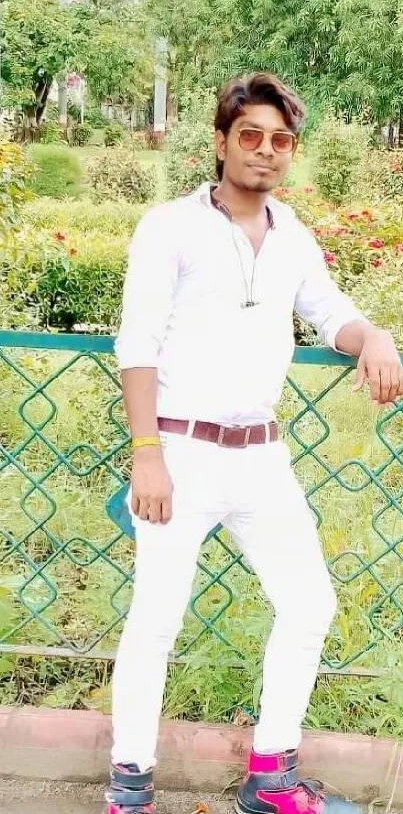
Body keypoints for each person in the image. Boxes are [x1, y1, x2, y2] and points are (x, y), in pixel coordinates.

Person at [106, 73, 403, 814]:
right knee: (156, 620)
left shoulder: (291, 234)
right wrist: (147, 451)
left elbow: (329, 311)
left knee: (308, 603)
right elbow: (136, 344)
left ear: (289, 151)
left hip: (260, 455)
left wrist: (375, 334)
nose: (264, 151)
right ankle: (129, 785)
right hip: (178, 452)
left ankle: (271, 776)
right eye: (249, 136)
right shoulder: (168, 226)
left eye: (279, 140)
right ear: (220, 142)